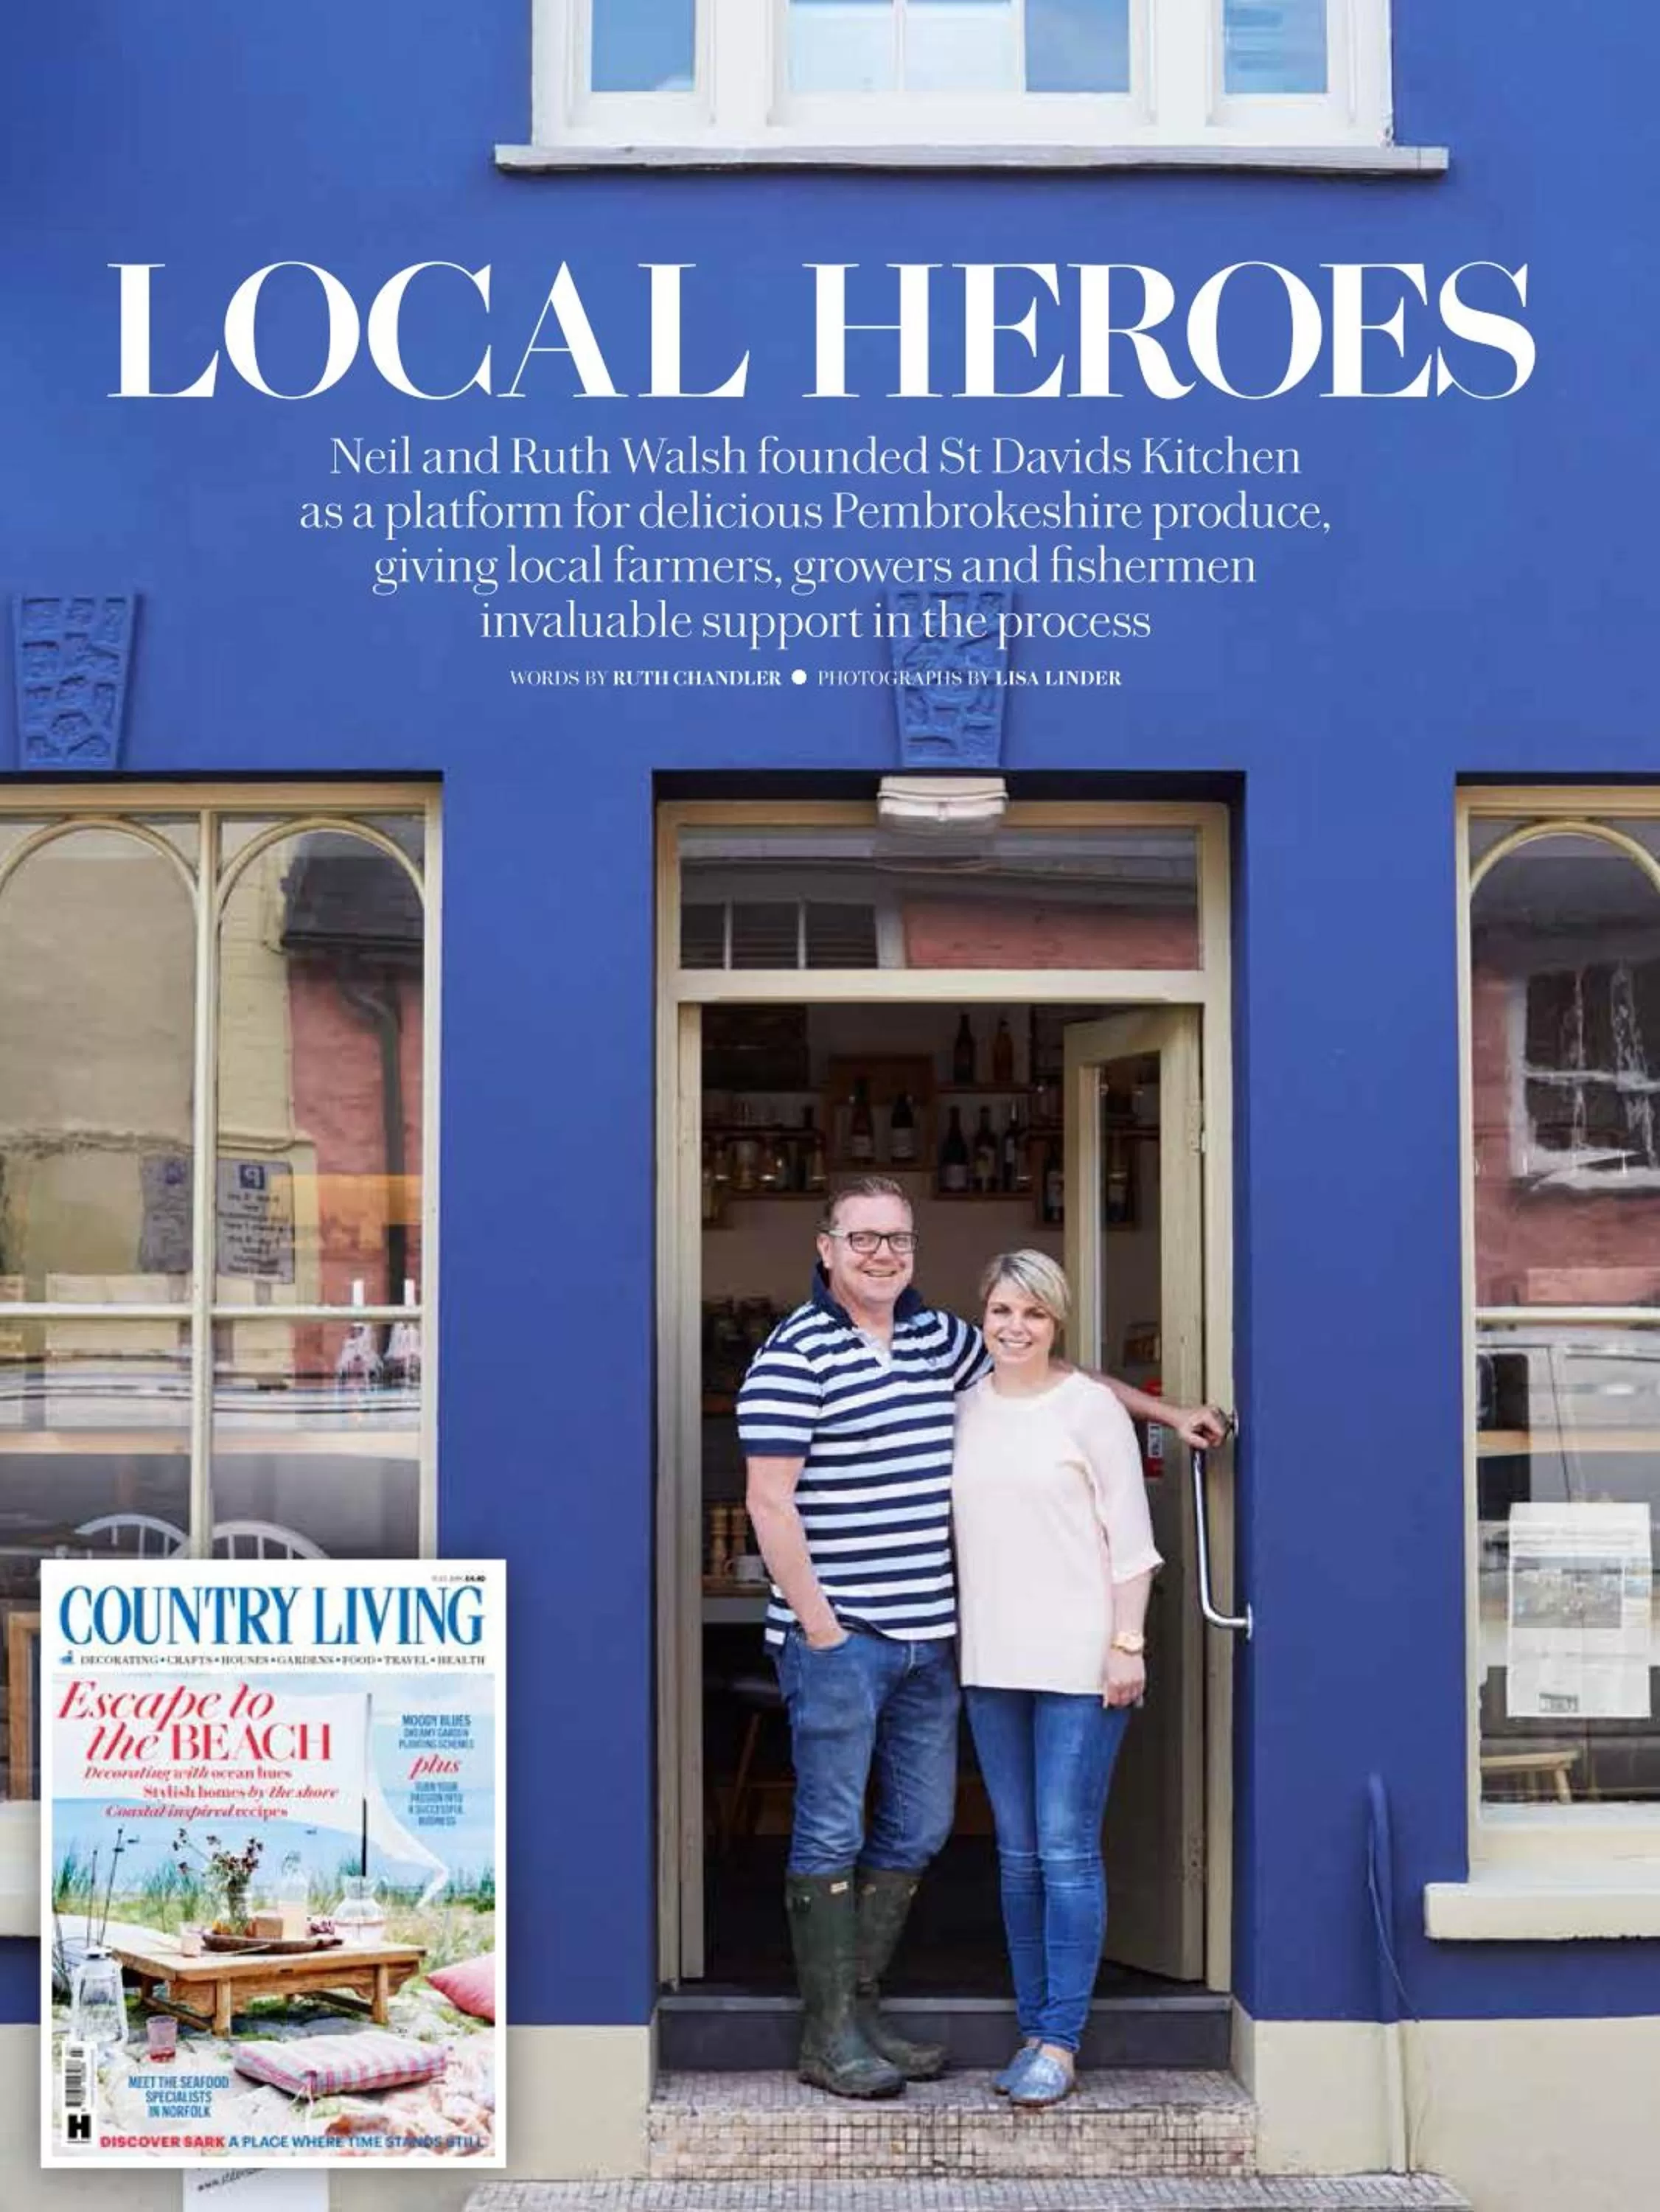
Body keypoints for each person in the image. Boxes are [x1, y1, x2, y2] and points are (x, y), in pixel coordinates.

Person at [738, 1180, 1226, 2100]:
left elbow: (1054, 1377)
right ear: (826, 1247)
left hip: (934, 1642)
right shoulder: (791, 1353)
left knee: (920, 1828)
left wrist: (1164, 1415)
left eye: (897, 1239)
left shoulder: (941, 1343)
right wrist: (821, 1630)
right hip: (841, 1637)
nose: (882, 1254)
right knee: (832, 1826)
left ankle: (866, 2005)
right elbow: (769, 1500)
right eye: (863, 1239)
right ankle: (829, 2031)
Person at [954, 1249, 1162, 2109]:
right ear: (982, 1315)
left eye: (1033, 1315)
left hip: (1081, 1659)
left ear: (1056, 1323)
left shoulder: (1089, 1411)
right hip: (988, 1661)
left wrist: (1127, 1641)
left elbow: (1133, 1539)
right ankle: (1032, 2025)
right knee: (1016, 1857)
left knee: (1066, 1849)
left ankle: (1060, 2041)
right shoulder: (962, 1408)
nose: (1014, 1328)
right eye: (1001, 1310)